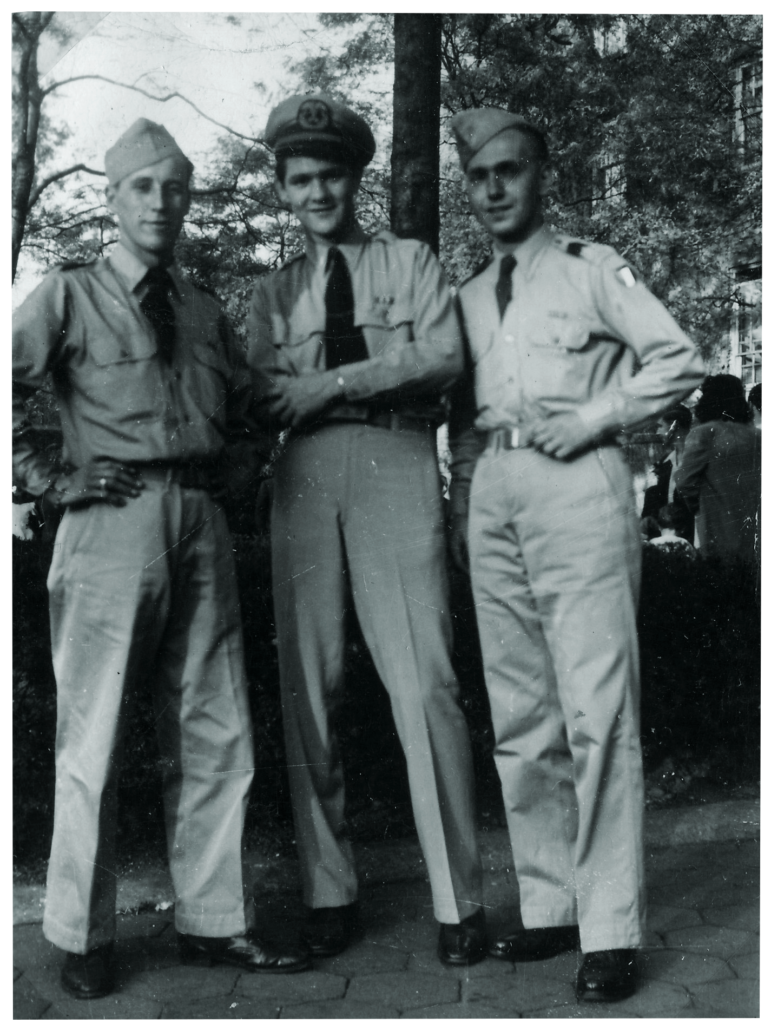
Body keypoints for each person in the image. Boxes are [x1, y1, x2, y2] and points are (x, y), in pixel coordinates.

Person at [11, 120, 310, 1000]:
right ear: (112, 198)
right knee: (94, 735)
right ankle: (83, 936)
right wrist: (51, 479)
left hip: (198, 519)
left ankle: (215, 921)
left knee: (218, 727)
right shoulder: (70, 294)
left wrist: (244, 465)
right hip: (111, 520)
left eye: (175, 187)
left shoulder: (202, 307)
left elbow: (250, 406)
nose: (161, 202)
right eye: (142, 186)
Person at [447, 108, 704, 1002]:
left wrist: (595, 417)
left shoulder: (592, 269)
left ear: (541, 175)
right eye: (478, 176)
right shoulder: (470, 296)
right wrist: (467, 501)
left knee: (597, 709)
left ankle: (610, 927)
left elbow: (678, 357)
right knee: (520, 711)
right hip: (495, 490)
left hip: (577, 484)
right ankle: (551, 903)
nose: (493, 188)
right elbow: (464, 413)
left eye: (509, 170)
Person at [247, 94, 485, 966]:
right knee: (308, 687)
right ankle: (328, 891)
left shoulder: (409, 261)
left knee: (425, 683)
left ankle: (459, 901)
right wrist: (339, 385)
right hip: (304, 475)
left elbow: (443, 355)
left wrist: (331, 384)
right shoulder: (271, 292)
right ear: (283, 189)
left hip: (395, 460)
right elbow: (261, 394)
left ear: (356, 179)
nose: (318, 192)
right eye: (301, 179)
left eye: (332, 175)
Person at [676, 374, 763, 564]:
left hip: (718, 536)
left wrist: (699, 507)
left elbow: (684, 482)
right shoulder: (758, 436)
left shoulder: (704, 434)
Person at [642, 403, 695, 543]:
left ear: (674, 426)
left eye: (660, 426)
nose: (657, 432)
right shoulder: (666, 462)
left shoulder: (696, 459)